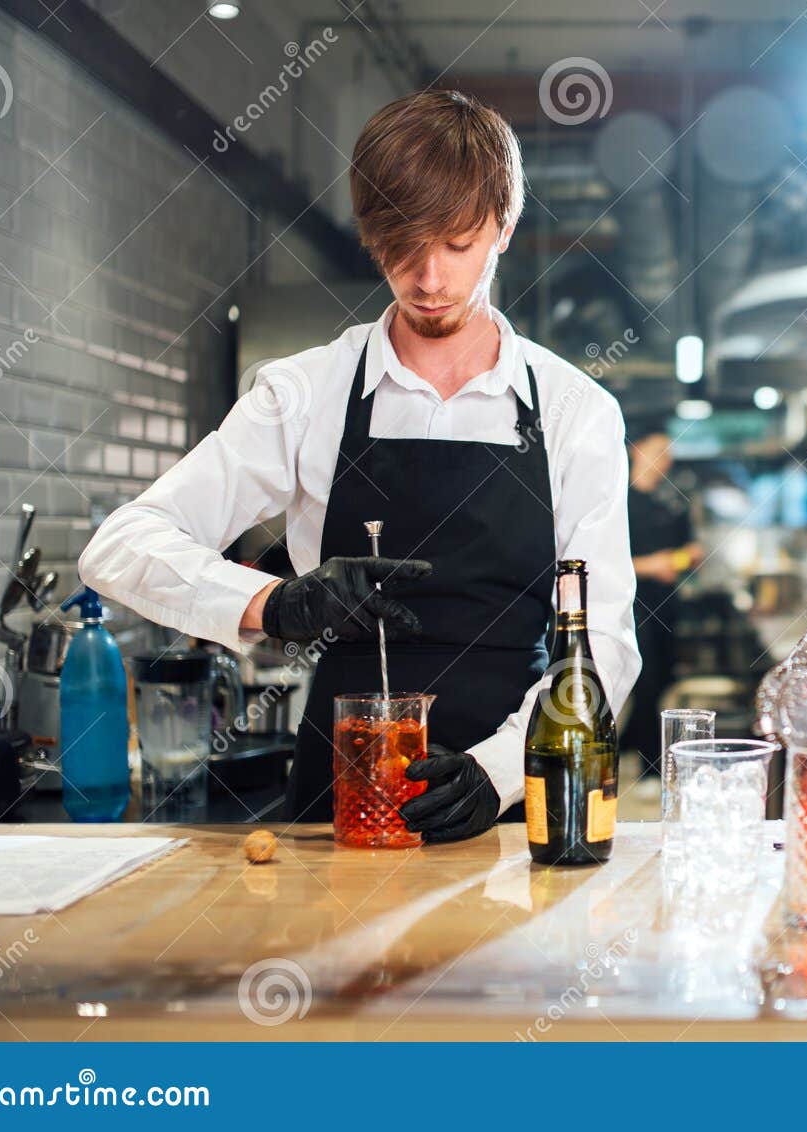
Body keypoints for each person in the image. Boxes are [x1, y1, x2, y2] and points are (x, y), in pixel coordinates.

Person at [80, 91, 640, 841]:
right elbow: (119, 547)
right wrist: (274, 606)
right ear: (370, 237)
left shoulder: (578, 413)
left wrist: (497, 773)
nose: (431, 278)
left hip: (505, 807)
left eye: (457, 243)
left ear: (503, 229)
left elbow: (605, 641)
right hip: (337, 805)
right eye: (403, 246)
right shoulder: (305, 392)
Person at [620, 423, 702, 776]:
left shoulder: (669, 502)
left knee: (662, 681)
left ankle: (626, 742)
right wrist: (651, 565)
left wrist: (685, 557)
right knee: (646, 683)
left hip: (667, 605)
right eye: (659, 452)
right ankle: (649, 764)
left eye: (668, 454)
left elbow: (691, 550)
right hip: (632, 607)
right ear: (637, 452)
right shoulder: (618, 502)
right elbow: (604, 561)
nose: (665, 461)